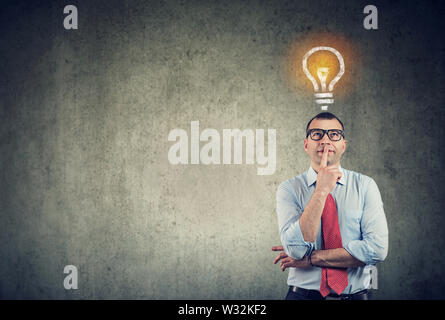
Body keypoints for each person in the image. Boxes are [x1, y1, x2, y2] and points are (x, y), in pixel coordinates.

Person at [272, 112, 388, 300]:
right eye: (317, 134)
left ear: (343, 145)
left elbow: (376, 249)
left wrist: (311, 259)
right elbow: (296, 250)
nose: (325, 140)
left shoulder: (365, 185)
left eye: (334, 134)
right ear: (306, 144)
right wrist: (321, 190)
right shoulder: (289, 188)